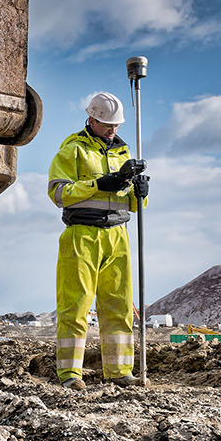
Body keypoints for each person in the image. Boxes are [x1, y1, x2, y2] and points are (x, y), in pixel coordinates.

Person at [46, 91, 149, 390]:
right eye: (106, 124)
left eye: (115, 125)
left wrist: (140, 193)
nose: (112, 130)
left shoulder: (124, 152)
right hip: (82, 236)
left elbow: (133, 205)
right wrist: (97, 184)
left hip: (118, 236)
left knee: (118, 306)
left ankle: (119, 372)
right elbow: (58, 194)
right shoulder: (73, 150)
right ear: (91, 119)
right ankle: (69, 375)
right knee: (75, 307)